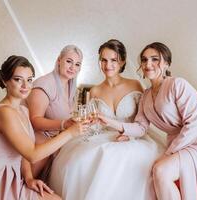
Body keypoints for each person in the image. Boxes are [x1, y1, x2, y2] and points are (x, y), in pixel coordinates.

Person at [101, 42, 197, 200]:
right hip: (180, 143)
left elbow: (193, 124)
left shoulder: (178, 84)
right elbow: (140, 127)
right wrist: (109, 122)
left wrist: (168, 153)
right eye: (144, 60)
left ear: (166, 63)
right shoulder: (145, 96)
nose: (148, 64)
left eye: (154, 59)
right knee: (158, 169)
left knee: (161, 170)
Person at [0, 55, 86, 200]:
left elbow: (23, 152)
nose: (25, 86)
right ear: (5, 81)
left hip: (12, 178)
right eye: (18, 79)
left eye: (29, 80)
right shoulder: (4, 112)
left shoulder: (22, 110)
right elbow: (32, 154)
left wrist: (29, 178)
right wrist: (69, 133)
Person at [48, 39, 164, 200]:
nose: (108, 65)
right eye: (104, 60)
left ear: (122, 61)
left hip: (136, 136)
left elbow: (143, 120)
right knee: (78, 159)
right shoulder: (95, 90)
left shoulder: (135, 85)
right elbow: (93, 122)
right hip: (104, 135)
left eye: (113, 60)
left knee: (113, 155)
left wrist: (129, 135)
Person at [25, 45, 83, 181]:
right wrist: (64, 124)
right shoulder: (44, 84)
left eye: (77, 64)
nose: (72, 67)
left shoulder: (71, 86)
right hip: (37, 136)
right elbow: (35, 120)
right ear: (59, 60)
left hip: (58, 136)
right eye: (69, 61)